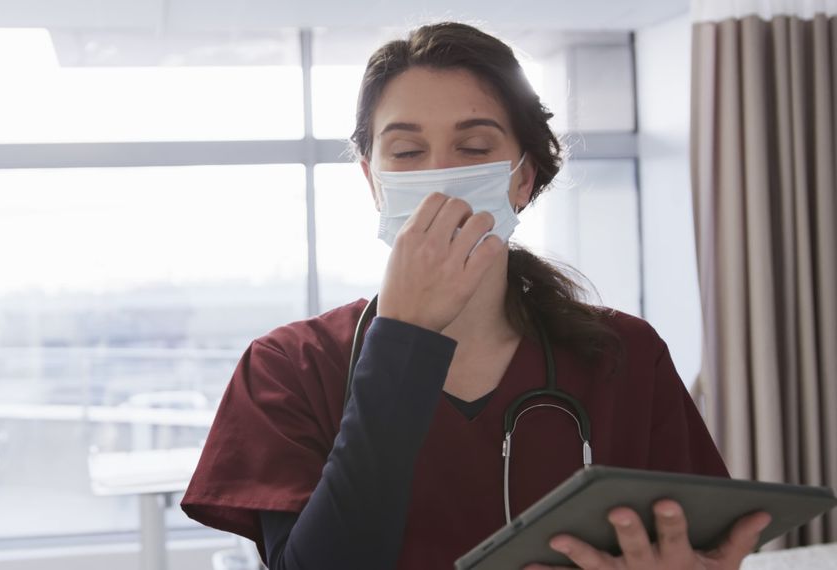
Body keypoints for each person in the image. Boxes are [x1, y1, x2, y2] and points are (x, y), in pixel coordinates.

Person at [181, 21, 771, 570]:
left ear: (522, 176)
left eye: (474, 148)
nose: (440, 175)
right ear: (373, 180)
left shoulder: (625, 354)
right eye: (408, 153)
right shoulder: (287, 368)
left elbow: (690, 539)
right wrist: (404, 341)